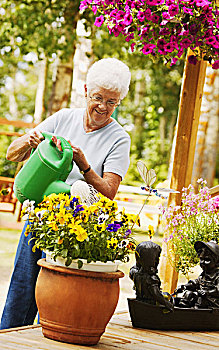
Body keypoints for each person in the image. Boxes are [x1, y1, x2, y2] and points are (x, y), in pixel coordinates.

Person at [0, 58, 131, 329]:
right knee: (22, 289)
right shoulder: (63, 118)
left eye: (112, 102)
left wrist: (84, 165)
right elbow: (12, 153)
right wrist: (29, 141)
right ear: (86, 91)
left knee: (55, 297)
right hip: (41, 219)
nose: (103, 108)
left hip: (77, 229)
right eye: (98, 98)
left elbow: (108, 193)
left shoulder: (119, 138)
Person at [129, 241, 174, 311]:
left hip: (139, 300)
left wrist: (142, 265)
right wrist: (167, 304)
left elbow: (134, 268)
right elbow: (156, 295)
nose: (158, 261)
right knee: (168, 297)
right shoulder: (151, 279)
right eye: (157, 258)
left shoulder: (134, 273)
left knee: (166, 294)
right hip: (150, 304)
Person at [175, 240, 219, 309]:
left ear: (217, 262)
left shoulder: (217, 276)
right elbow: (196, 282)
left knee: (200, 300)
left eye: (207, 260)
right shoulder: (203, 275)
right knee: (188, 294)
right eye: (201, 259)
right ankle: (182, 310)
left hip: (213, 302)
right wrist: (185, 286)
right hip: (201, 297)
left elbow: (218, 290)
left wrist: (207, 292)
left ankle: (195, 314)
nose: (203, 262)